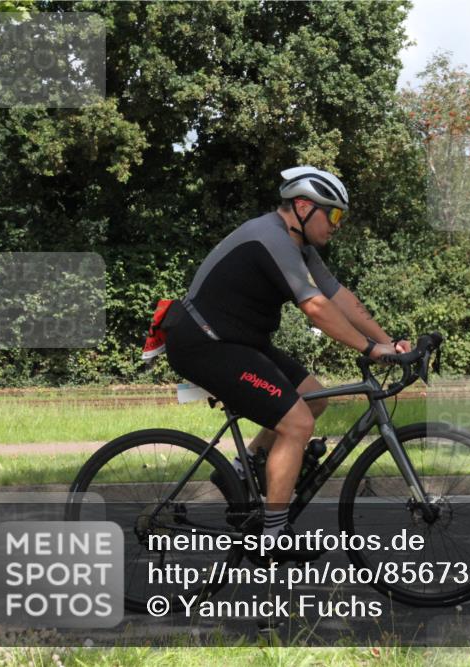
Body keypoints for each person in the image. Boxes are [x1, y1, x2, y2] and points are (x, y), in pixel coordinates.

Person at [161, 166, 410, 562]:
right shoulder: (270, 238)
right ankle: (273, 535)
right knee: (297, 423)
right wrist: (369, 349)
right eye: (334, 215)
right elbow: (314, 307)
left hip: (238, 341)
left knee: (313, 396)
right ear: (303, 206)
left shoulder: (299, 247)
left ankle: (245, 472)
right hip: (206, 342)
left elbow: (339, 297)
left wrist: (388, 343)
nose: (336, 225)